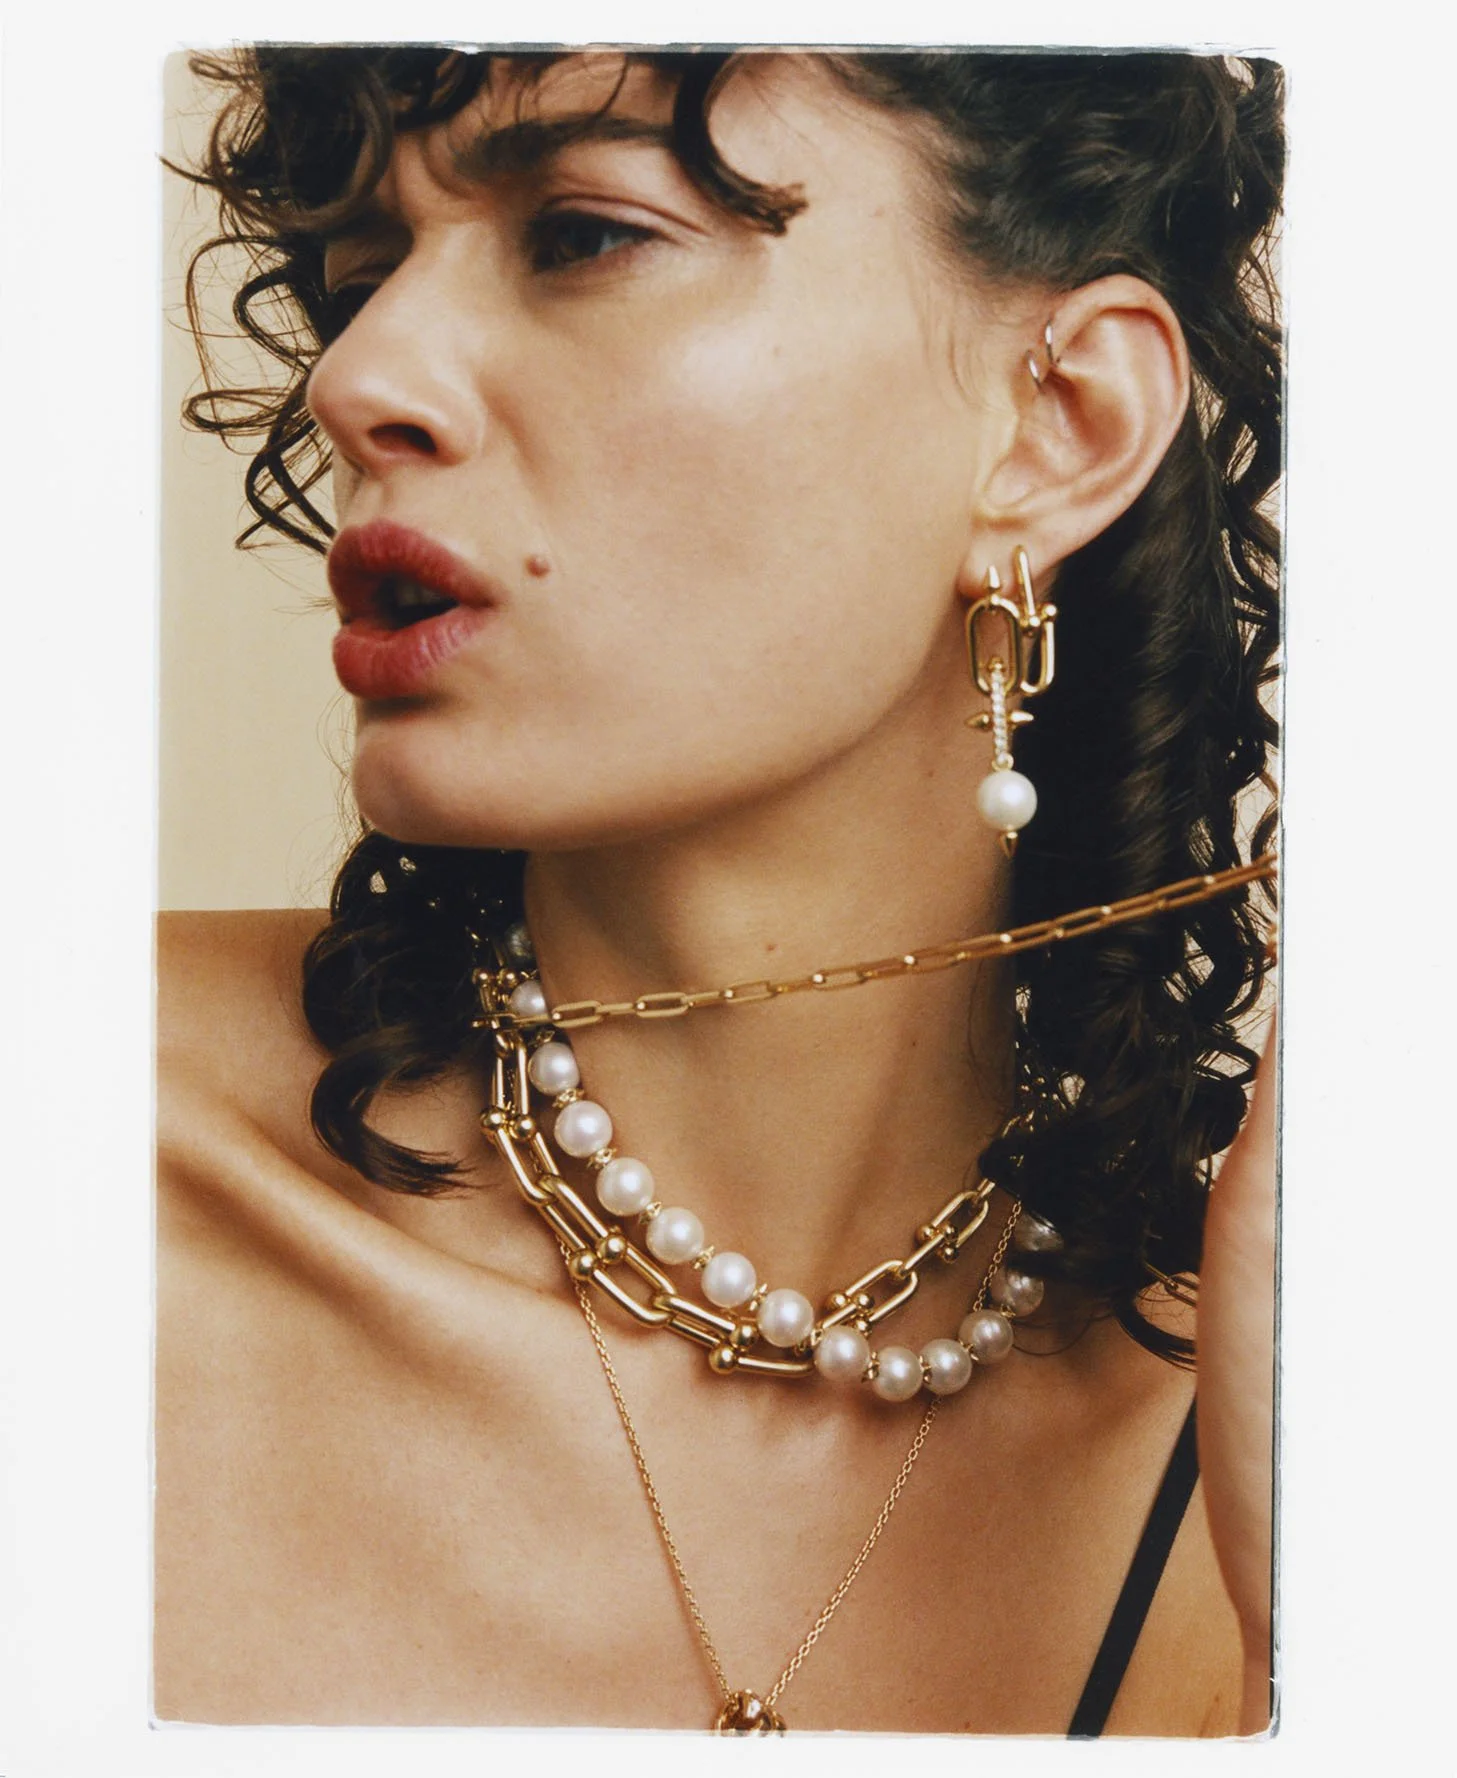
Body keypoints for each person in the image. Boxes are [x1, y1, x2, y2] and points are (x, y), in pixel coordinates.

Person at [156, 45, 1281, 1736]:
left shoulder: (1265, 1447)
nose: (362, 375)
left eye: (582, 234)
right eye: (360, 273)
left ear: (1057, 425)